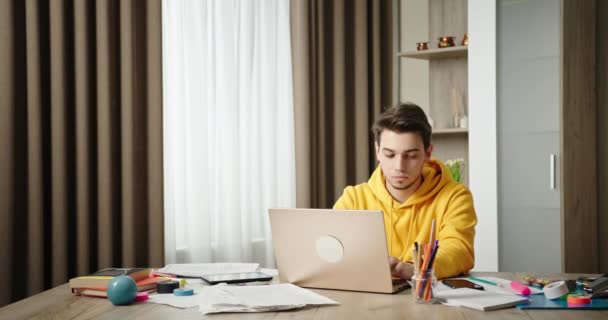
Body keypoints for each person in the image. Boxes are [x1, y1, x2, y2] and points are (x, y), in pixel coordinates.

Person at [333, 102, 476, 280]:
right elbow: (332, 249)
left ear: (428, 153)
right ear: (377, 152)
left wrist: (414, 268)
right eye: (390, 155)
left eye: (411, 156)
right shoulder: (354, 199)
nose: (399, 167)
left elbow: (459, 250)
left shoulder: (455, 197)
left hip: (429, 301)